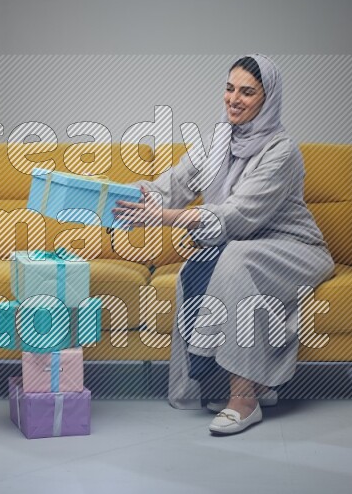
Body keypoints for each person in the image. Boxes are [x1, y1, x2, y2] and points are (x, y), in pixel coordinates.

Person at [113, 54, 335, 435]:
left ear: (268, 99)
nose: (234, 99)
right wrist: (110, 196)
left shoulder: (282, 152)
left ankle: (244, 399)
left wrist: (161, 218)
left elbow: (235, 216)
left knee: (231, 260)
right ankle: (230, 386)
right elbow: (169, 188)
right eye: (230, 88)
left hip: (293, 249)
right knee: (203, 264)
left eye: (247, 92)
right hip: (240, 247)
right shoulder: (215, 144)